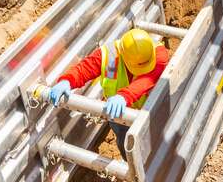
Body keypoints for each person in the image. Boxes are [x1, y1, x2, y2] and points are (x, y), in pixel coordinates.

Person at [46, 28, 169, 158]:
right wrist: (67, 81)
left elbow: (146, 80)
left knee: (157, 143)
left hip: (150, 110)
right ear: (123, 56)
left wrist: (124, 96)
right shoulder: (109, 55)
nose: (140, 70)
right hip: (119, 113)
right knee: (126, 145)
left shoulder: (159, 55)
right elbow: (85, 69)